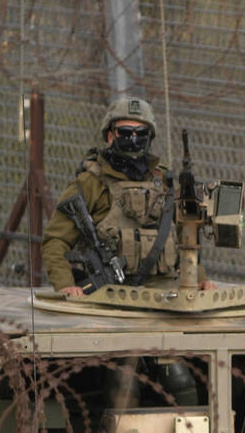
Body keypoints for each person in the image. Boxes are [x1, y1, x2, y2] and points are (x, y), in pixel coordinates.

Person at [41, 96, 214, 296]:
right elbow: (55, 240)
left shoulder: (166, 184)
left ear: (149, 138)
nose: (133, 139)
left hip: (165, 295)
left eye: (141, 134)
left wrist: (199, 280)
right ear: (110, 135)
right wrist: (65, 285)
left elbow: (187, 237)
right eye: (124, 132)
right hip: (108, 296)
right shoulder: (90, 184)